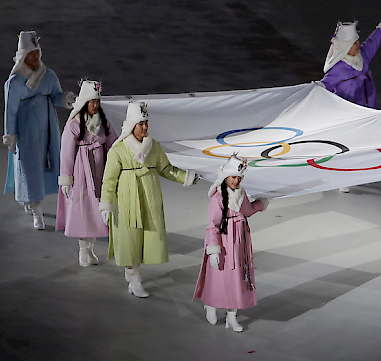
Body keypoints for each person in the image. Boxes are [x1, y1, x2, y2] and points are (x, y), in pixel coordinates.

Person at [99, 101, 197, 297]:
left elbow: (166, 169)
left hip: (149, 196)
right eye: (141, 123)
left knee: (149, 235)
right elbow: (109, 180)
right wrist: (106, 204)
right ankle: (133, 278)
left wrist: (186, 177)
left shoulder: (154, 146)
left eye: (146, 123)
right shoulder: (118, 150)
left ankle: (135, 275)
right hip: (127, 199)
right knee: (130, 237)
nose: (144, 127)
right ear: (132, 125)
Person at [317, 7, 381, 192]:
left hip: (365, 108)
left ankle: (356, 170)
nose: (358, 44)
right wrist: (316, 88)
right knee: (346, 145)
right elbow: (325, 85)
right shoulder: (337, 70)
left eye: (357, 41)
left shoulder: (363, 56)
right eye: (354, 43)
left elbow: (374, 41)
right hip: (346, 115)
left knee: (362, 143)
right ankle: (343, 177)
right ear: (345, 47)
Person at [3, 31, 75, 229]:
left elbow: (56, 95)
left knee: (48, 163)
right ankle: (36, 211)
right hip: (26, 130)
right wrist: (10, 134)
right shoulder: (15, 82)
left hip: (47, 128)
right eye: (31, 52)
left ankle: (32, 200)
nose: (36, 56)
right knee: (29, 167)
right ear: (23, 55)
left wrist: (66, 99)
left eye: (37, 52)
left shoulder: (48, 75)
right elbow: (11, 111)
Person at [193, 154, 269, 332]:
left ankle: (231, 316)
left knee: (238, 278)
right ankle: (211, 304)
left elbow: (248, 211)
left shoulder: (241, 194)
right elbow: (213, 225)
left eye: (239, 177)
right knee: (218, 276)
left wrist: (261, 204)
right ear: (225, 177)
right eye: (233, 177)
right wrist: (213, 249)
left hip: (239, 242)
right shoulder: (218, 199)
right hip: (224, 242)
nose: (236, 180)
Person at [56, 79, 118, 266]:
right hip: (82, 172)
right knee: (84, 210)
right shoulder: (75, 125)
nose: (95, 105)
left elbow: (112, 142)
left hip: (99, 171)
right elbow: (66, 152)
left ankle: (90, 248)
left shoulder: (103, 121)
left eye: (97, 102)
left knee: (96, 210)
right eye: (92, 102)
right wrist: (66, 178)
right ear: (84, 103)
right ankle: (83, 250)